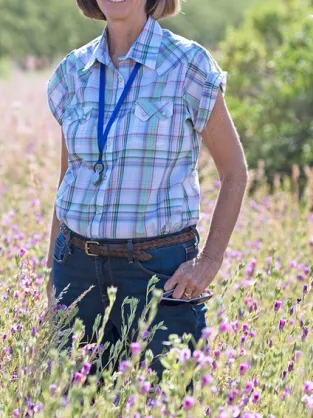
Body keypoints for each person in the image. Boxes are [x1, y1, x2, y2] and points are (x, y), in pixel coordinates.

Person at [46, 0, 248, 379]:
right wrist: (52, 274)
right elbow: (67, 179)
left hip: (158, 273)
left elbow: (235, 172)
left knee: (167, 416)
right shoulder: (72, 72)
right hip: (76, 268)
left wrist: (209, 262)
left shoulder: (187, 64)